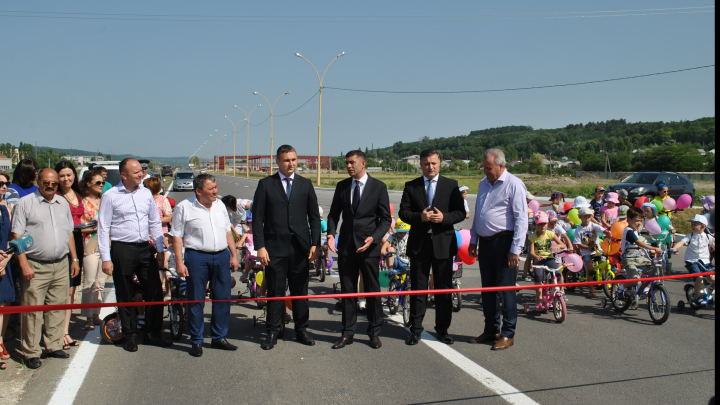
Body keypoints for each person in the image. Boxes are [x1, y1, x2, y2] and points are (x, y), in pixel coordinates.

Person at [251, 145, 321, 351]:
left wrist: (315, 244)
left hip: (300, 248)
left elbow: (314, 218)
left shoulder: (305, 184)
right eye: (286, 160)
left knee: (300, 291)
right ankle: (273, 330)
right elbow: (257, 219)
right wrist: (260, 247)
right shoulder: (266, 184)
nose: (291, 164)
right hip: (274, 248)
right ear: (278, 162)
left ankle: (302, 329)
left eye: (293, 159)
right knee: (275, 290)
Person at [98, 158, 171, 352]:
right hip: (122, 248)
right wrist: (106, 257)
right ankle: (129, 335)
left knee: (155, 291)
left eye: (142, 171)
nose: (141, 174)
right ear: (124, 175)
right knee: (125, 293)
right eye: (137, 171)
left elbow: (155, 222)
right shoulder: (111, 196)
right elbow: (103, 228)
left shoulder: (146, 193)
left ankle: (153, 333)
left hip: (145, 247)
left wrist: (160, 249)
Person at [10, 168, 80, 369]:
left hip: (60, 264)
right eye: (46, 183)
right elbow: (17, 235)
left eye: (54, 183)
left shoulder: (62, 203)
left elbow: (69, 234)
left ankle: (54, 344)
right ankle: (31, 351)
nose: (50, 186)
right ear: (38, 182)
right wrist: (23, 262)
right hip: (35, 264)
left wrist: (74, 259)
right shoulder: (26, 203)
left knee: (57, 307)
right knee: (33, 310)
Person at [399, 149, 466, 346]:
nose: (431, 167)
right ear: (420, 164)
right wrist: (420, 216)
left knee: (443, 289)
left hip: (443, 244)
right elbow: (403, 212)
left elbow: (460, 213)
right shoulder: (411, 186)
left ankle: (442, 329)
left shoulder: (451, 185)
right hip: (420, 244)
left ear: (440, 164)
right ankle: (416, 329)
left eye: (434, 163)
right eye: (427, 163)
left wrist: (444, 218)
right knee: (419, 288)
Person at [326, 150, 391, 350]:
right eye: (347, 163)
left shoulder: (378, 187)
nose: (348, 166)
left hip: (369, 247)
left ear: (363, 164)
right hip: (346, 246)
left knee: (372, 290)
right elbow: (333, 214)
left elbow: (385, 219)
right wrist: (330, 234)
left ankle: (374, 332)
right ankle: (347, 332)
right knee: (348, 291)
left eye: (352, 163)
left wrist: (375, 238)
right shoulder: (342, 186)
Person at [172, 173, 240, 357]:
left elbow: (228, 232)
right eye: (211, 189)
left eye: (216, 187)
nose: (215, 191)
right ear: (198, 190)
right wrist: (179, 262)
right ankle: (196, 340)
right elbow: (177, 237)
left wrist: (234, 255)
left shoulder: (219, 206)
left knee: (223, 298)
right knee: (196, 299)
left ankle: (219, 337)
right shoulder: (184, 207)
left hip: (221, 256)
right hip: (197, 257)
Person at [467, 149, 528, 351]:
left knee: (505, 290)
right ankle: (491, 329)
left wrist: (515, 250)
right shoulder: (484, 183)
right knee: (488, 289)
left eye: (489, 168)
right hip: (485, 243)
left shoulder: (514, 184)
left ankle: (508, 333)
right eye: (484, 167)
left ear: (501, 166)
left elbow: (521, 219)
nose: (485, 171)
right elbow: (479, 214)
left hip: (504, 243)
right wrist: (473, 239)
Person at [55, 160, 86, 350]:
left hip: (79, 241)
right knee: (61, 291)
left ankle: (65, 330)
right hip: (62, 244)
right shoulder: (56, 196)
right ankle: (58, 333)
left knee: (72, 291)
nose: (66, 179)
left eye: (69, 175)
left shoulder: (78, 194)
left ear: (74, 175)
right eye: (62, 175)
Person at [78, 170, 107, 331]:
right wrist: (96, 227)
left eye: (102, 182)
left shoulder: (105, 200)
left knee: (100, 282)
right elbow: (79, 227)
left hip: (105, 245)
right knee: (89, 282)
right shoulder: (82, 203)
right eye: (98, 182)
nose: (101, 185)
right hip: (90, 244)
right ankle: (88, 316)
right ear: (88, 184)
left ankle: (97, 314)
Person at [617, 207, 662, 301]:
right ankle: (621, 289)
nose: (639, 223)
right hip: (628, 259)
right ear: (629, 219)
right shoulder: (628, 231)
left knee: (655, 269)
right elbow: (638, 242)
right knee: (635, 279)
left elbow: (643, 241)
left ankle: (646, 289)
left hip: (638, 257)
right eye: (637, 221)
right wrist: (654, 248)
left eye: (641, 221)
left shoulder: (635, 230)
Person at [672, 214, 715, 306]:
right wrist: (675, 248)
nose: (692, 226)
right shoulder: (690, 236)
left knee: (712, 278)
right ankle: (698, 297)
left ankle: (704, 287)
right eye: (692, 224)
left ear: (703, 226)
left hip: (705, 261)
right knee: (699, 277)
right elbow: (681, 242)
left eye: (695, 224)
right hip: (692, 261)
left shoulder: (707, 237)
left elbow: (714, 245)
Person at [528, 211, 566, 307]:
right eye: (540, 224)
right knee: (538, 276)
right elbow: (531, 253)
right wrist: (537, 257)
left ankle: (555, 292)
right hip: (538, 260)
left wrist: (558, 246)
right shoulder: (532, 237)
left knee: (557, 274)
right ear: (535, 225)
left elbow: (562, 244)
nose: (543, 226)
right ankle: (539, 297)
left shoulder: (550, 234)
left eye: (544, 224)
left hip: (549, 258)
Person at [573, 207, 611, 299]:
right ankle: (591, 289)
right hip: (586, 251)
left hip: (597, 249)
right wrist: (589, 247)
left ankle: (605, 281)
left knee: (606, 262)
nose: (587, 219)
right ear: (580, 217)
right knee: (590, 269)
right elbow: (578, 244)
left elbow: (602, 230)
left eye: (588, 217)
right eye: (584, 217)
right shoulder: (578, 229)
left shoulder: (593, 225)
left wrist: (608, 234)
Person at [0, 171, 15, 369]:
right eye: (0, 183)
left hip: (5, 260)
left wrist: (6, 259)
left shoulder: (6, 208)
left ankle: (1, 340)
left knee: (6, 305)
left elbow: (11, 236)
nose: (4, 186)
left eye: (6, 183)